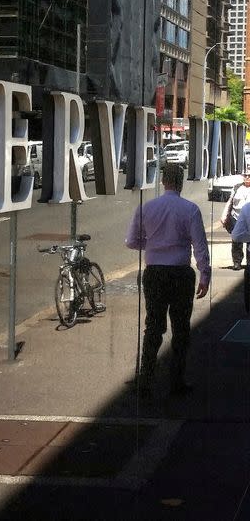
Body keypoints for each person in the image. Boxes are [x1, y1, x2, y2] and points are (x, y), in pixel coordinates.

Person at [125, 165, 211, 395]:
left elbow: (131, 242)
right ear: (180, 181)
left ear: (163, 181)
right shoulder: (190, 209)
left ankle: (146, 379)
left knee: (153, 326)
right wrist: (205, 275)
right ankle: (177, 381)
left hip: (154, 273)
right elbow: (199, 246)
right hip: (181, 273)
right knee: (181, 329)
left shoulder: (147, 207)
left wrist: (154, 245)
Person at [220, 168, 250, 269]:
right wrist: (224, 215)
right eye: (245, 175)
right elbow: (229, 202)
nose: (247, 177)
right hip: (236, 217)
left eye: (249, 176)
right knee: (236, 240)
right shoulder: (237, 187)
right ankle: (237, 262)